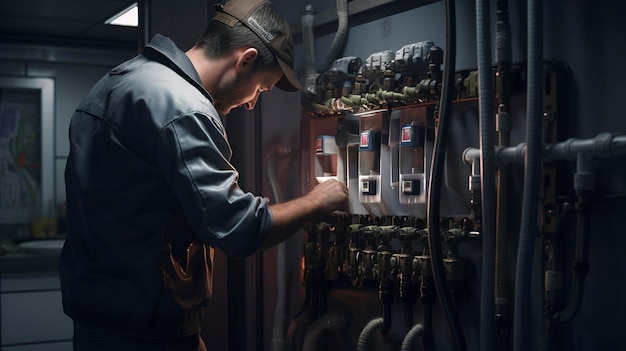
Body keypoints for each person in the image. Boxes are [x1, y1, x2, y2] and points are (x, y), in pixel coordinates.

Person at [59, 0, 349, 349]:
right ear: (246, 60)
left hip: (98, 323)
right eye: (260, 89)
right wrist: (319, 200)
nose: (252, 103)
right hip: (144, 331)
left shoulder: (119, 81)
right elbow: (238, 229)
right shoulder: (185, 110)